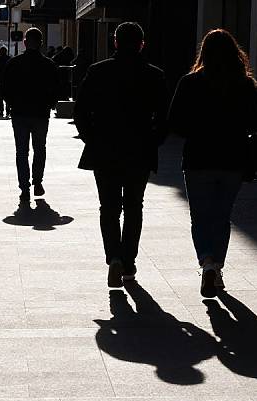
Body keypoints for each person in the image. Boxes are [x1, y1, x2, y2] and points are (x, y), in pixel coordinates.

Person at [168, 29, 257, 298]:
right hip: (232, 158)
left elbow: (174, 120)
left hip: (198, 157)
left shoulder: (189, 82)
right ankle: (217, 267)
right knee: (222, 216)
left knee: (200, 216)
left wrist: (197, 130)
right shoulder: (244, 84)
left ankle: (207, 261)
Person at [74, 21, 167, 288]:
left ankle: (113, 256)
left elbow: (81, 112)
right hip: (139, 150)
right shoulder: (154, 75)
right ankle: (128, 260)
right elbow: (163, 118)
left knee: (109, 207)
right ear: (141, 44)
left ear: (115, 42)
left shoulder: (98, 71)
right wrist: (153, 142)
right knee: (134, 207)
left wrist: (92, 139)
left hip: (105, 150)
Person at [2, 28, 59, 202]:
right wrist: (50, 104)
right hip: (40, 113)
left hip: (20, 113)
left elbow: (5, 87)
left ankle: (24, 186)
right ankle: (38, 181)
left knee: (22, 151)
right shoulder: (49, 65)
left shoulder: (14, 64)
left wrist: (11, 104)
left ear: (25, 43)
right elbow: (56, 88)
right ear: (41, 43)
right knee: (39, 149)